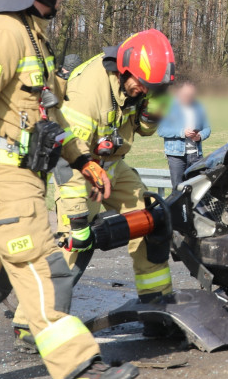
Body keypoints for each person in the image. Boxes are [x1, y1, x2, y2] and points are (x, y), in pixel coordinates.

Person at [0, 0, 138, 379]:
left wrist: (83, 161)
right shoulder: (1, 33)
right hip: (3, 179)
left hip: (17, 179)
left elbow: (50, 118)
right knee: (44, 271)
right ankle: (80, 372)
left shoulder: (32, 38)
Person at [11, 30, 177, 350]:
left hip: (112, 166)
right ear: (124, 69)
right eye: (143, 85)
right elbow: (67, 153)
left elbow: (141, 128)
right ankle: (31, 322)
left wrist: (154, 107)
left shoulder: (139, 86)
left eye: (152, 88)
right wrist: (76, 218)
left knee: (148, 217)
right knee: (73, 243)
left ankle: (155, 306)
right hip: (78, 166)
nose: (144, 91)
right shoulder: (88, 92)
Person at [159, 80, 210, 188]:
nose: (190, 97)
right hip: (176, 156)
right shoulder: (169, 106)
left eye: (192, 95)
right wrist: (182, 132)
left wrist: (200, 136)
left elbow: (207, 128)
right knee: (178, 189)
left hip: (196, 155)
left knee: (197, 189)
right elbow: (161, 130)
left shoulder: (198, 106)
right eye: (187, 94)